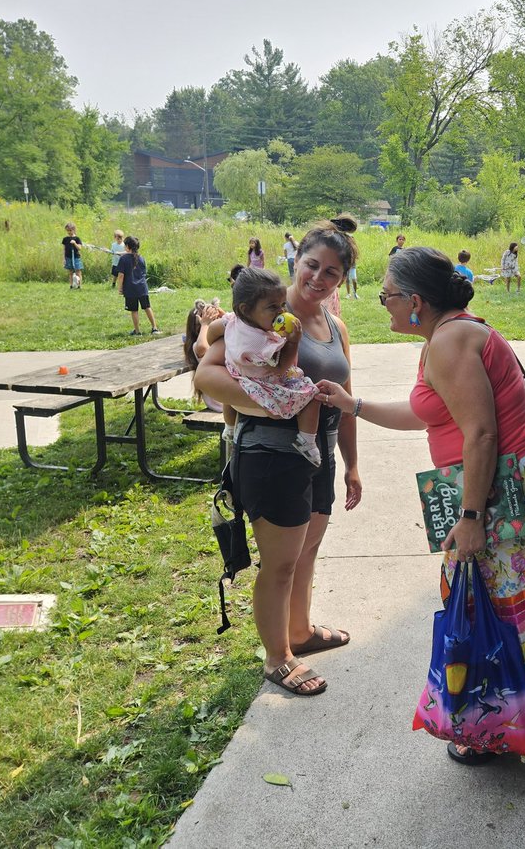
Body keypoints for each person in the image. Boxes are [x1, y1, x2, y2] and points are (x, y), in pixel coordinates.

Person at [315, 246, 525, 766]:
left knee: (507, 605)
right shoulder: (443, 335)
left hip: (506, 489)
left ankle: (512, 728)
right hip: (506, 480)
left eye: (387, 295)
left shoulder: (450, 341)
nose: (382, 304)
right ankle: (513, 722)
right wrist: (354, 406)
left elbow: (481, 434)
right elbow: (434, 416)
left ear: (415, 301)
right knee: (499, 601)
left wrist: (470, 518)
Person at [192, 217, 361, 697]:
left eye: (332, 272)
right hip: (271, 455)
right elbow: (205, 372)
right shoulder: (262, 312)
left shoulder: (335, 325)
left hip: (319, 453)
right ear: (296, 260)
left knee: (306, 552)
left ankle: (300, 632)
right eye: (312, 265)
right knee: (280, 563)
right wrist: (269, 401)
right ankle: (277, 657)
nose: (318, 278)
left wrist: (351, 463)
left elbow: (347, 397)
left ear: (341, 279)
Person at [201, 268, 323, 466]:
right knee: (312, 395)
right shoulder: (261, 343)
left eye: (283, 305)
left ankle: (230, 428)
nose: (281, 312)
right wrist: (293, 342)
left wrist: (221, 339)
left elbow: (213, 331)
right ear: (245, 309)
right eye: (273, 307)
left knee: (228, 390)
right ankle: (307, 441)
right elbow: (280, 369)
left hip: (239, 377)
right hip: (263, 386)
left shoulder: (233, 321)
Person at [183, 299, 237, 441]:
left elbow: (237, 327)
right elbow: (202, 348)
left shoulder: (222, 340)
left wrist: (224, 316)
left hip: (227, 397)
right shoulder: (198, 345)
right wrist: (205, 324)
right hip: (220, 400)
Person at [115, 236, 160, 336]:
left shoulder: (123, 259)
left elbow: (121, 275)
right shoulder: (141, 258)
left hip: (130, 289)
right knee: (147, 307)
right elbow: (143, 272)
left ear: (127, 246)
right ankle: (154, 328)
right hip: (142, 288)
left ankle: (137, 331)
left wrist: (120, 288)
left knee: (134, 310)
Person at [62, 222, 85, 289]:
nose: (69, 232)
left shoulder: (77, 239)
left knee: (78, 271)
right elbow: (64, 249)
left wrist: (74, 243)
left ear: (74, 230)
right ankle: (71, 285)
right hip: (68, 257)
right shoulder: (65, 239)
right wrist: (64, 258)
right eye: (67, 231)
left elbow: (79, 248)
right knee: (70, 272)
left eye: (70, 230)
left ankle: (79, 285)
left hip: (76, 257)